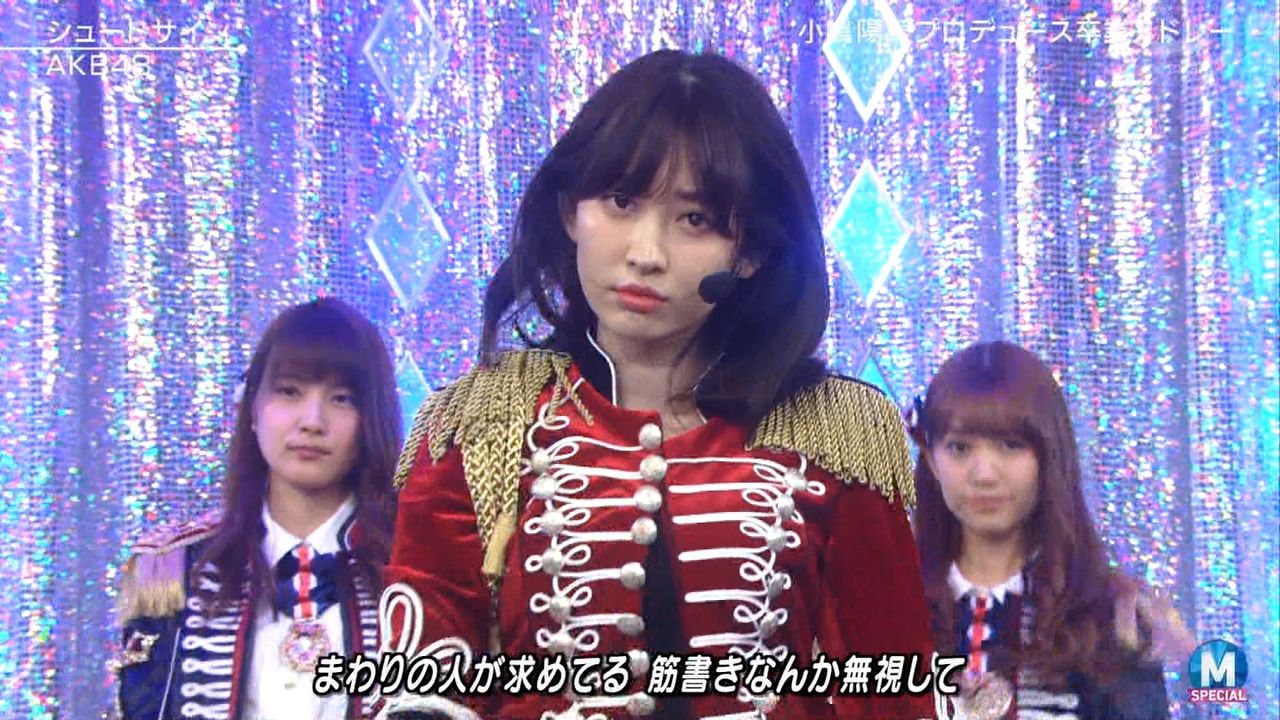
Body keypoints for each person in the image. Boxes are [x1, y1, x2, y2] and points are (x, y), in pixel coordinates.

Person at [381, 49, 935, 719]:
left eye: (694, 220)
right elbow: (421, 691)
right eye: (621, 202)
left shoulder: (837, 431)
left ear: (751, 253)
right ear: (569, 211)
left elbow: (893, 693)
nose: (646, 254)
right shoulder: (482, 422)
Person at [114, 297, 403, 720]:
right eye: (290, 391)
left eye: (342, 398)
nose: (312, 421)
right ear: (252, 410)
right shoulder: (174, 569)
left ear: (371, 420)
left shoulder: (414, 568)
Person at [908, 341, 1195, 719]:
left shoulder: (1109, 618)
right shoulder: (885, 604)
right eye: (960, 448)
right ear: (931, 460)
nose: (984, 474)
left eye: (1010, 445)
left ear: (1048, 456)